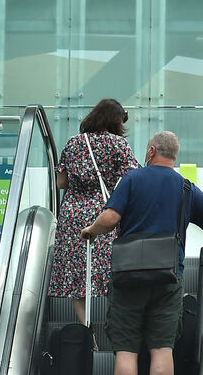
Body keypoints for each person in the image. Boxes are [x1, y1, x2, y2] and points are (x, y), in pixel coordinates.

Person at [82, 130, 203, 375]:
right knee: (162, 349)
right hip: (167, 277)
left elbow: (110, 218)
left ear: (150, 151)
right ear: (174, 155)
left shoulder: (131, 180)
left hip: (127, 278)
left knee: (126, 350)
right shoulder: (185, 187)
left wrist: (90, 231)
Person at [50, 99, 141, 327]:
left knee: (77, 272)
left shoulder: (73, 143)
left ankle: (86, 329)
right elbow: (133, 178)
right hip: (104, 212)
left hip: (72, 216)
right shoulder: (118, 144)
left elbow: (61, 183)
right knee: (110, 270)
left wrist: (82, 181)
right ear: (115, 121)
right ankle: (115, 325)